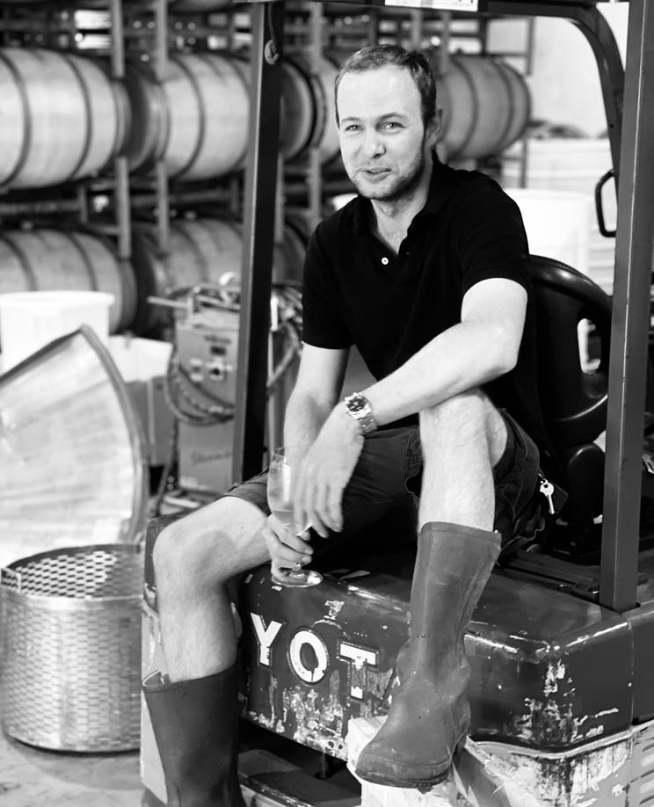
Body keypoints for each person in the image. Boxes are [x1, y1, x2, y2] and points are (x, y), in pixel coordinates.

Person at [143, 43, 555, 805]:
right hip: (396, 463)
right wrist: (293, 490)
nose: (370, 147)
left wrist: (355, 415)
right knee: (183, 551)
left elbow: (490, 342)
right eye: (354, 126)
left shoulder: (479, 209)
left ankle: (432, 690)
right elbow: (309, 392)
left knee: (451, 403)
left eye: (391, 125)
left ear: (431, 126)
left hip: (497, 475)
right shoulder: (336, 241)